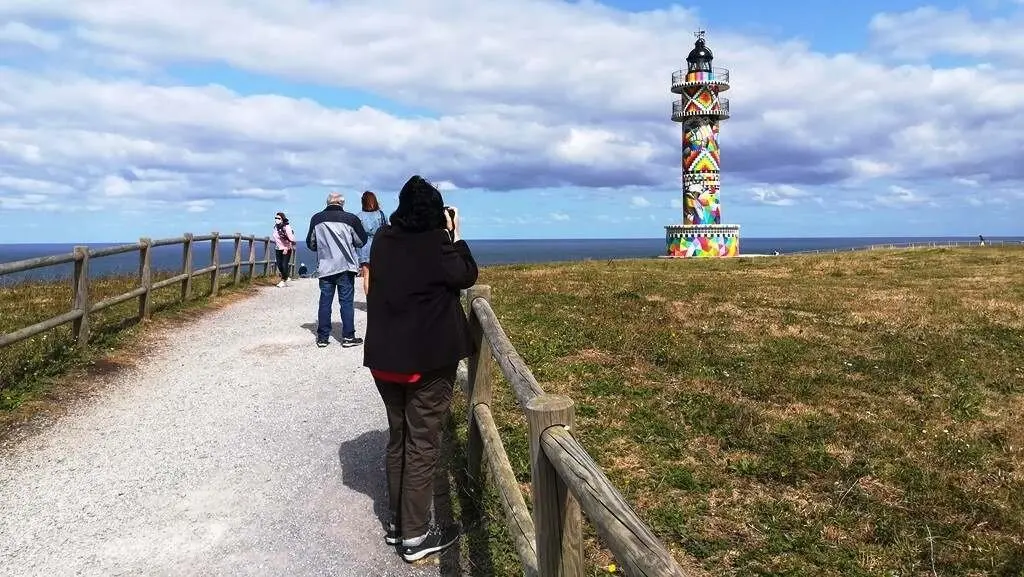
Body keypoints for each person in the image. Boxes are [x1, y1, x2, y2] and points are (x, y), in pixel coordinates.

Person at [363, 175, 477, 563]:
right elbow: (465, 274)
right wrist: (454, 234)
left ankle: (398, 523)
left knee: (399, 439)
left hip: (385, 359)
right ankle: (415, 536)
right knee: (422, 444)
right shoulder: (436, 243)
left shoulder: (383, 239)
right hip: (426, 360)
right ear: (437, 211)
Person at [305, 192, 368, 348]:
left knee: (325, 302)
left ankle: (322, 338)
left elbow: (311, 244)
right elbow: (361, 241)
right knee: (346, 302)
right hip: (346, 266)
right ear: (342, 203)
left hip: (325, 267)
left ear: (327, 202)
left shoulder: (316, 219)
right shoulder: (351, 219)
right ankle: (348, 337)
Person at [357, 190, 388, 296]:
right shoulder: (381, 215)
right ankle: (379, 299)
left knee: (366, 275)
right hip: (379, 245)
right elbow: (386, 231)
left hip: (364, 247)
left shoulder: (358, 216)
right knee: (380, 276)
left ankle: (369, 300)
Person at [271, 212, 297, 287]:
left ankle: (283, 280)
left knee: (284, 264)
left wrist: (287, 247)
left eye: (278, 218)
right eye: (275, 218)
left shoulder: (286, 227)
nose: (276, 219)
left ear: (282, 219)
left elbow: (291, 239)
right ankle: (286, 276)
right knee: (279, 264)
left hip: (286, 248)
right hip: (278, 248)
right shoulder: (275, 227)